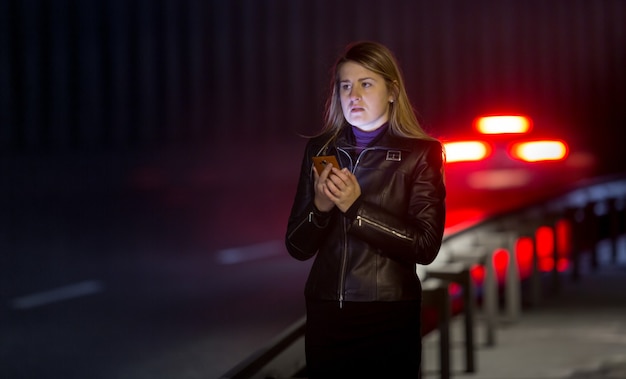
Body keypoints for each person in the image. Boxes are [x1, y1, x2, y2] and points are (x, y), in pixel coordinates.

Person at [285, 41, 446, 378]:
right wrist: (321, 207)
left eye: (366, 83)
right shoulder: (321, 148)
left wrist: (355, 209)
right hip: (326, 310)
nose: (353, 94)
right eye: (345, 85)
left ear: (392, 91)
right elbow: (297, 246)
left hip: (388, 313)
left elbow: (425, 245)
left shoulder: (421, 154)